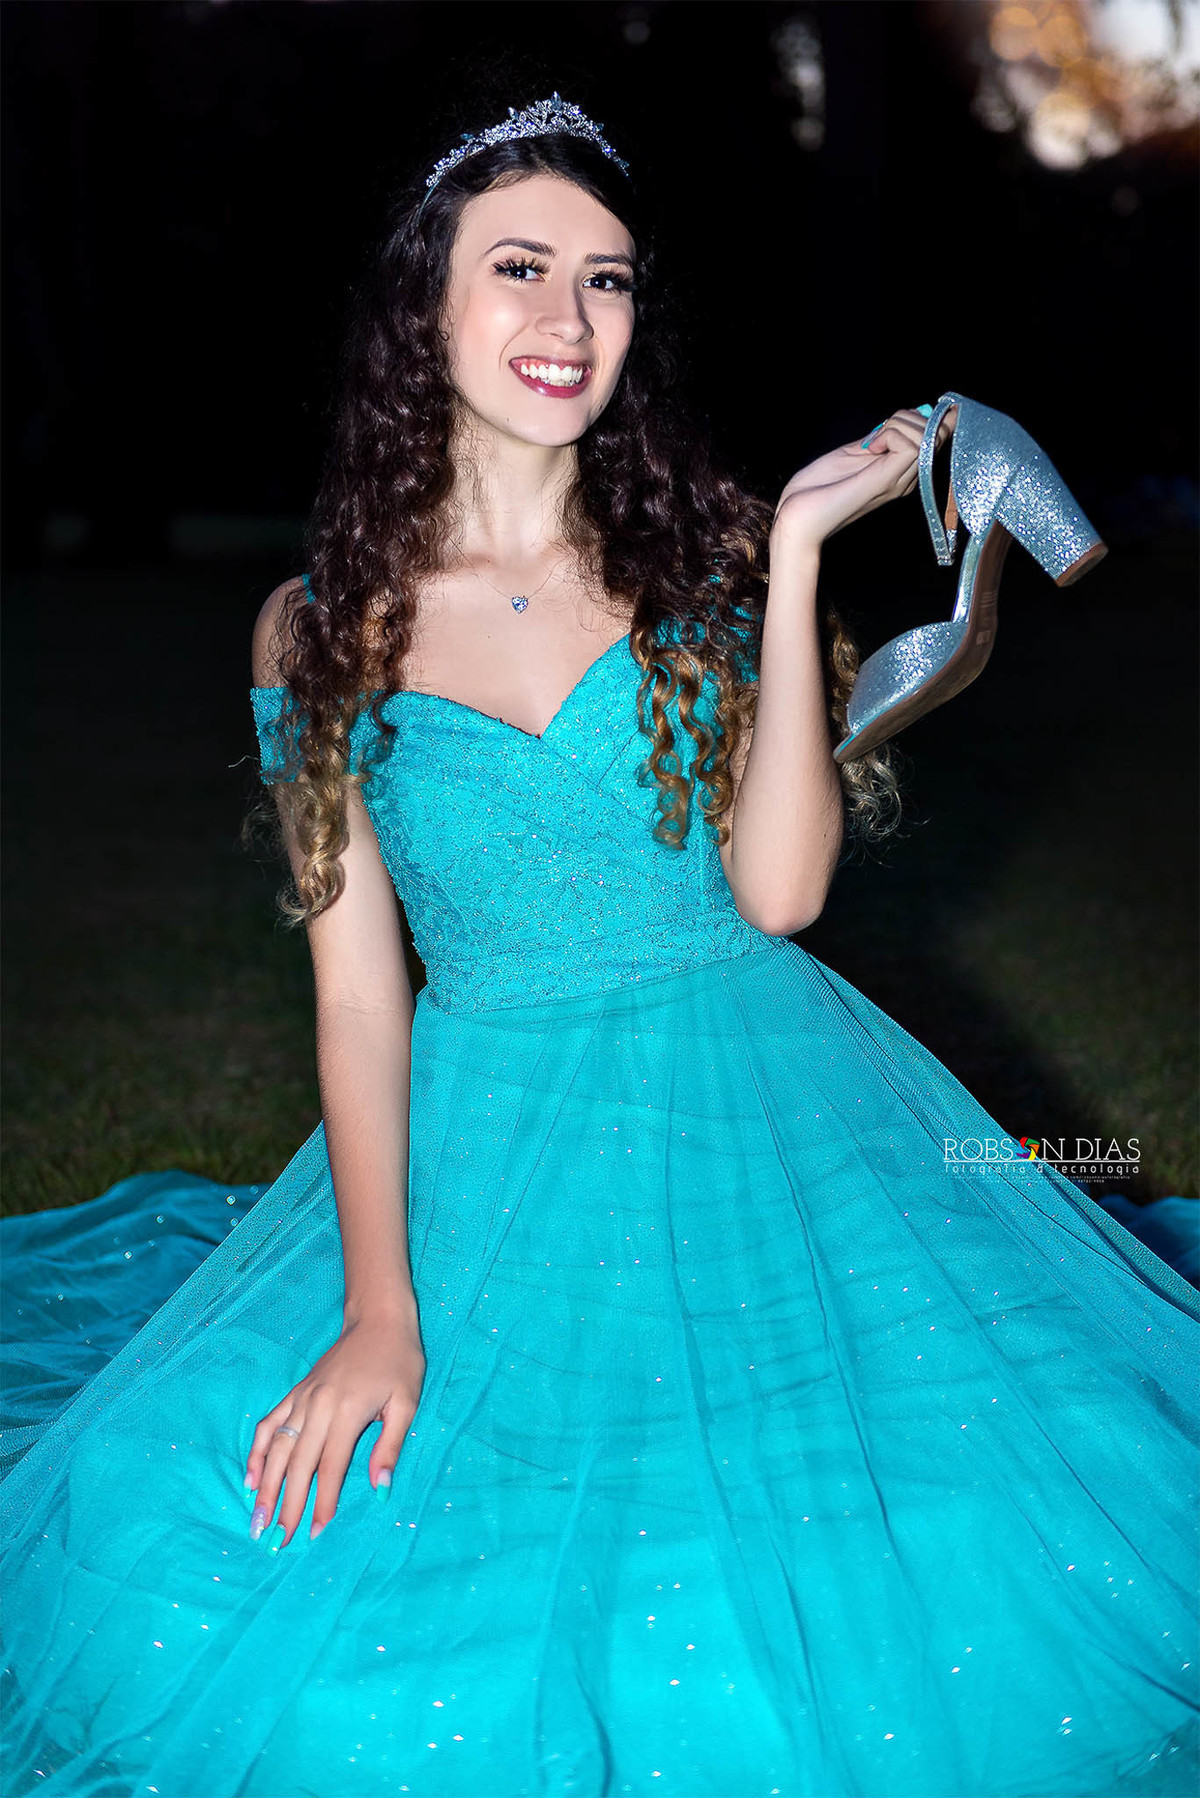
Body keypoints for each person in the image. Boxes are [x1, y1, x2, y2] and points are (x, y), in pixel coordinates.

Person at [2, 93, 1197, 1798]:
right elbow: (357, 994)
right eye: (521, 268)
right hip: (489, 1133)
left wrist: (790, 560)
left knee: (971, 1522)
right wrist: (381, 1309)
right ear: (427, 303)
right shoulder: (317, 626)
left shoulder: (701, 555)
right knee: (221, 1548)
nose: (570, 320)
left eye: (611, 280)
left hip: (754, 1092)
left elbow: (780, 894)